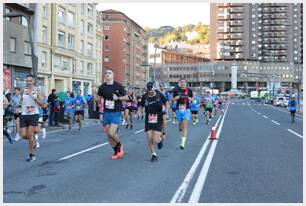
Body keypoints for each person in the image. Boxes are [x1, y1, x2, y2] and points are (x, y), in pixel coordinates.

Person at [94, 68, 128, 160]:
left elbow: (126, 97)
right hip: (106, 112)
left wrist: (118, 98)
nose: (107, 74)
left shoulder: (118, 86)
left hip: (116, 112)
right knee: (108, 135)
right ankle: (116, 151)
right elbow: (98, 99)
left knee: (112, 133)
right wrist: (94, 94)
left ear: (113, 75)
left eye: (109, 73)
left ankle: (119, 144)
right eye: (106, 73)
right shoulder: (102, 87)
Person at [139, 82, 169, 162]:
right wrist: (140, 110)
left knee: (155, 139)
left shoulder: (159, 95)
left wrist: (165, 112)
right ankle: (154, 154)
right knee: (149, 138)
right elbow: (140, 105)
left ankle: (160, 140)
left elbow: (167, 103)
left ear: (154, 88)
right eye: (149, 90)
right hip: (148, 118)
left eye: (151, 89)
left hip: (158, 117)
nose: (150, 91)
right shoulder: (144, 97)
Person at [19, 74, 44, 162]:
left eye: (30, 81)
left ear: (33, 81)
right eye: (27, 81)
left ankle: (32, 155)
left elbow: (42, 103)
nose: (28, 83)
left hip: (34, 114)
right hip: (24, 114)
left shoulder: (38, 90)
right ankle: (34, 141)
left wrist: (33, 97)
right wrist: (19, 106)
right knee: (23, 135)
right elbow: (21, 101)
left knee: (30, 134)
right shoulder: (23, 90)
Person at [172, 78, 193, 150]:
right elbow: (172, 99)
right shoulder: (176, 90)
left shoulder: (189, 90)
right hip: (178, 110)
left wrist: (191, 99)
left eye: (184, 82)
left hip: (186, 109)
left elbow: (193, 99)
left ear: (186, 83)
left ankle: (183, 143)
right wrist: (175, 98)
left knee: (184, 125)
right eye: (181, 82)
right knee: (181, 126)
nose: (182, 83)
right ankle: (179, 125)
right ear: (179, 83)